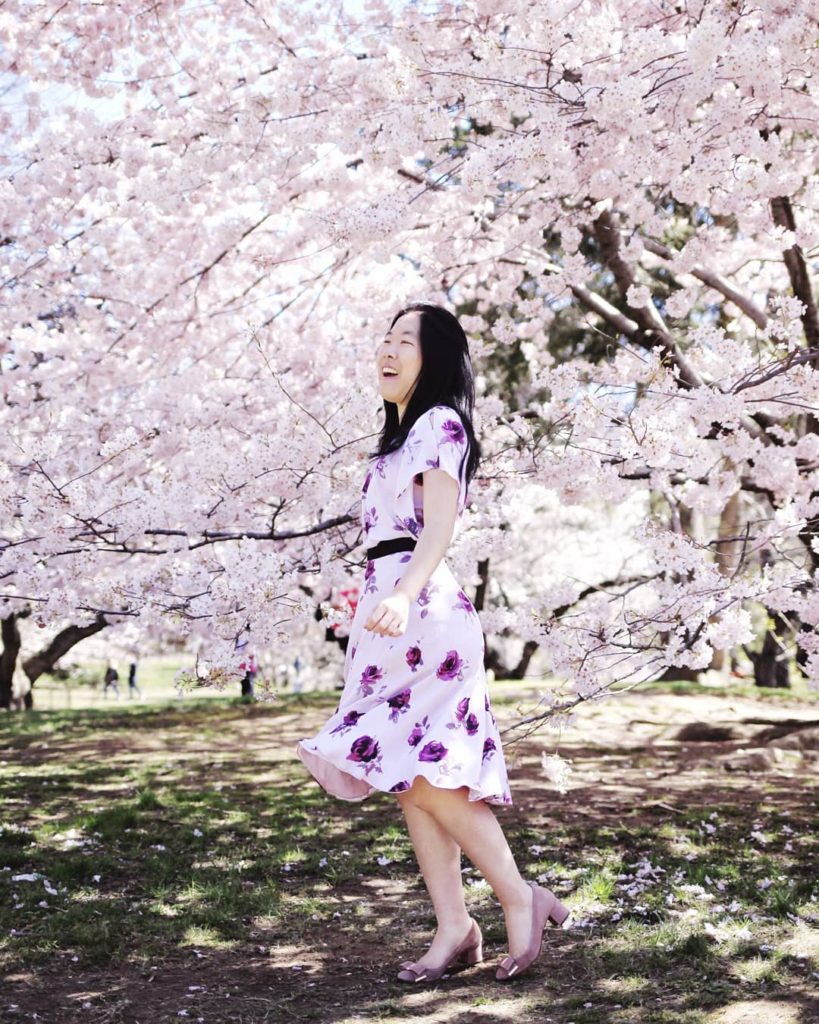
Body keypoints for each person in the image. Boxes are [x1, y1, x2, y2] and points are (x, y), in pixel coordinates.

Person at [296, 304, 569, 984]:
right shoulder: (396, 438)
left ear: (436, 357)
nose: (386, 351)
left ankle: (517, 895)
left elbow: (437, 528)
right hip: (387, 608)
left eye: (404, 342)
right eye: (382, 339)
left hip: (422, 610)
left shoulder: (440, 425)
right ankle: (454, 925)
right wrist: (376, 600)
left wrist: (399, 594)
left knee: (426, 772)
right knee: (406, 778)